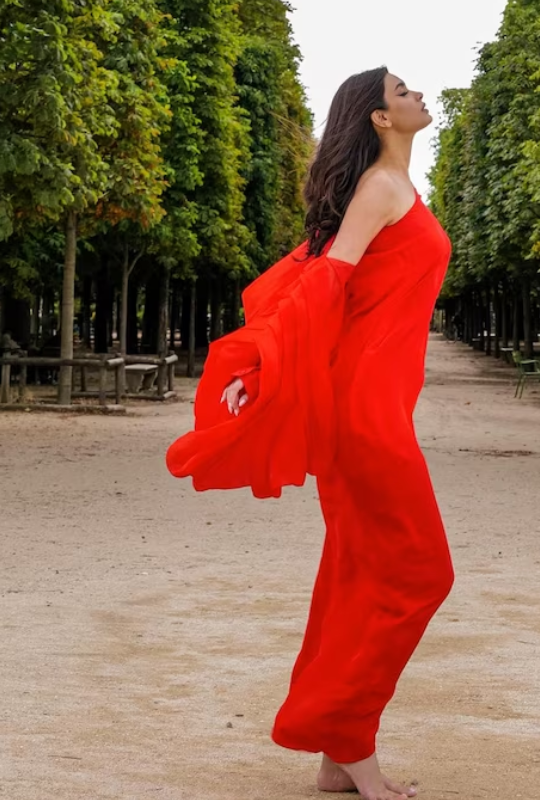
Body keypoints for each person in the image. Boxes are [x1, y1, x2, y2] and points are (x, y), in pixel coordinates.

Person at [167, 67, 454, 800]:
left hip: (379, 407)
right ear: (378, 120)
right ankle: (348, 736)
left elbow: (317, 269)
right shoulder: (382, 191)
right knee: (421, 572)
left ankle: (336, 752)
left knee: (360, 573)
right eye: (400, 90)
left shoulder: (392, 189)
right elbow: (321, 279)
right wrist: (264, 364)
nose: (417, 93)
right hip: (365, 414)